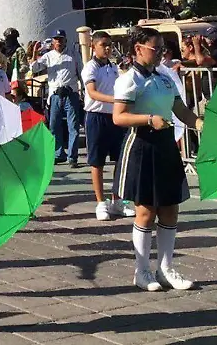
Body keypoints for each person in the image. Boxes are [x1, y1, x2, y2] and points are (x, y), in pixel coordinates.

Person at [113, 28, 202, 292]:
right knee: (146, 211)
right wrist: (148, 119)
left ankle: (166, 268)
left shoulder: (164, 78)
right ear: (138, 49)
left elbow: (180, 109)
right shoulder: (129, 80)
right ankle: (142, 271)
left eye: (163, 48)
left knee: (170, 208)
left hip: (165, 146)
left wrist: (198, 122)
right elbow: (119, 117)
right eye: (156, 48)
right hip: (142, 145)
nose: (161, 53)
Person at [82, 31, 130, 220]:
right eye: (103, 45)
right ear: (93, 46)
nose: (108, 48)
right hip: (96, 116)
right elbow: (92, 92)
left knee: (120, 160)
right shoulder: (90, 67)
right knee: (97, 162)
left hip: (114, 117)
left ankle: (117, 200)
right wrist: (115, 100)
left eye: (110, 44)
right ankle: (101, 202)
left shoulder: (113, 66)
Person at [30, 30, 82, 168]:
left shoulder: (73, 54)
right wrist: (34, 53)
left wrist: (83, 92)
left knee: (73, 126)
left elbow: (81, 73)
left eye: (61, 39)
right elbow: (34, 68)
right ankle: (59, 153)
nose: (58, 41)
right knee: (54, 126)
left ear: (65, 40)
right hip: (55, 95)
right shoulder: (48, 56)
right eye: (56, 39)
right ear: (53, 41)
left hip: (70, 93)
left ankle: (72, 157)